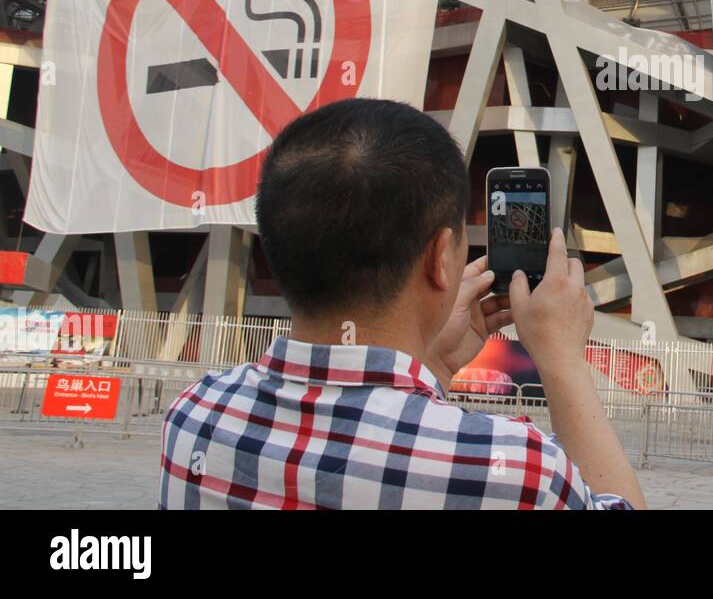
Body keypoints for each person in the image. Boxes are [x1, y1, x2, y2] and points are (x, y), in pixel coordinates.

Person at [159, 98, 645, 510]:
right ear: (440, 258)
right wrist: (562, 362)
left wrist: (433, 362)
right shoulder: (512, 469)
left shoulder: (194, 416)